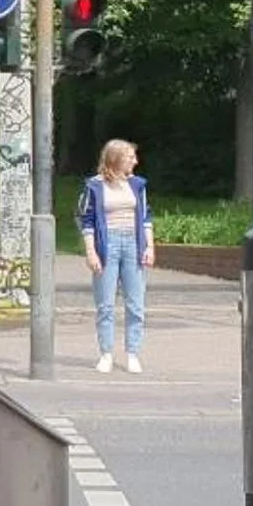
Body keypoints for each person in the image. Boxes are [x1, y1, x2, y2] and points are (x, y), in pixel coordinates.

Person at [77, 138, 155, 373]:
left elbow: (145, 217)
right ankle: (106, 353)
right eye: (131, 157)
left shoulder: (137, 185)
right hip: (106, 243)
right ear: (116, 159)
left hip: (133, 243)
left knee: (135, 302)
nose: (135, 161)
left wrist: (149, 247)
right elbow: (87, 221)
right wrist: (91, 252)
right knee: (105, 304)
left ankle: (133, 353)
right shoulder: (94, 186)